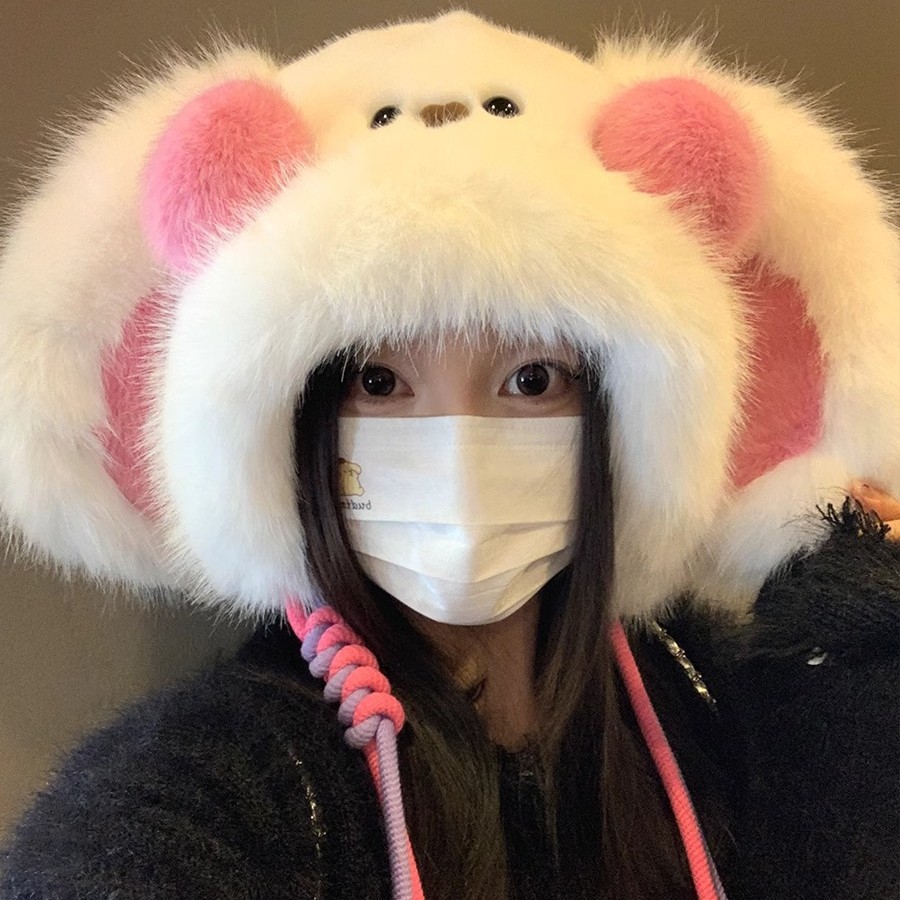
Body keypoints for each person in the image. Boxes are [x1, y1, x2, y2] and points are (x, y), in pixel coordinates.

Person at [0, 11, 898, 900]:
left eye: (533, 378)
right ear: (294, 425)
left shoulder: (711, 705)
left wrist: (861, 642)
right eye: (379, 382)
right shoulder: (225, 779)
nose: (459, 451)